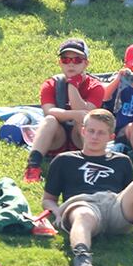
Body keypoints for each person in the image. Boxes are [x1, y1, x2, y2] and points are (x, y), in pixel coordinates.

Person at [44, 109, 133, 266]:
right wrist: (56, 211)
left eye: (101, 133)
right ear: (83, 131)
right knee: (83, 214)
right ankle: (82, 258)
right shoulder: (64, 160)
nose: (94, 136)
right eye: (91, 131)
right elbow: (48, 199)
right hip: (83, 205)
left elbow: (128, 196)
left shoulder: (122, 161)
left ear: (111, 137)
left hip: (114, 205)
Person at [23, 38, 106, 181]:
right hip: (57, 138)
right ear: (60, 62)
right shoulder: (51, 83)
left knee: (86, 122)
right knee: (49, 120)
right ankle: (33, 166)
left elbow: (86, 114)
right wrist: (74, 114)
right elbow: (49, 111)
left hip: (80, 139)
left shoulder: (95, 86)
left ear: (86, 63)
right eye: (66, 60)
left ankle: (91, 164)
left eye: (77, 60)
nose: (71, 64)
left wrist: (73, 86)